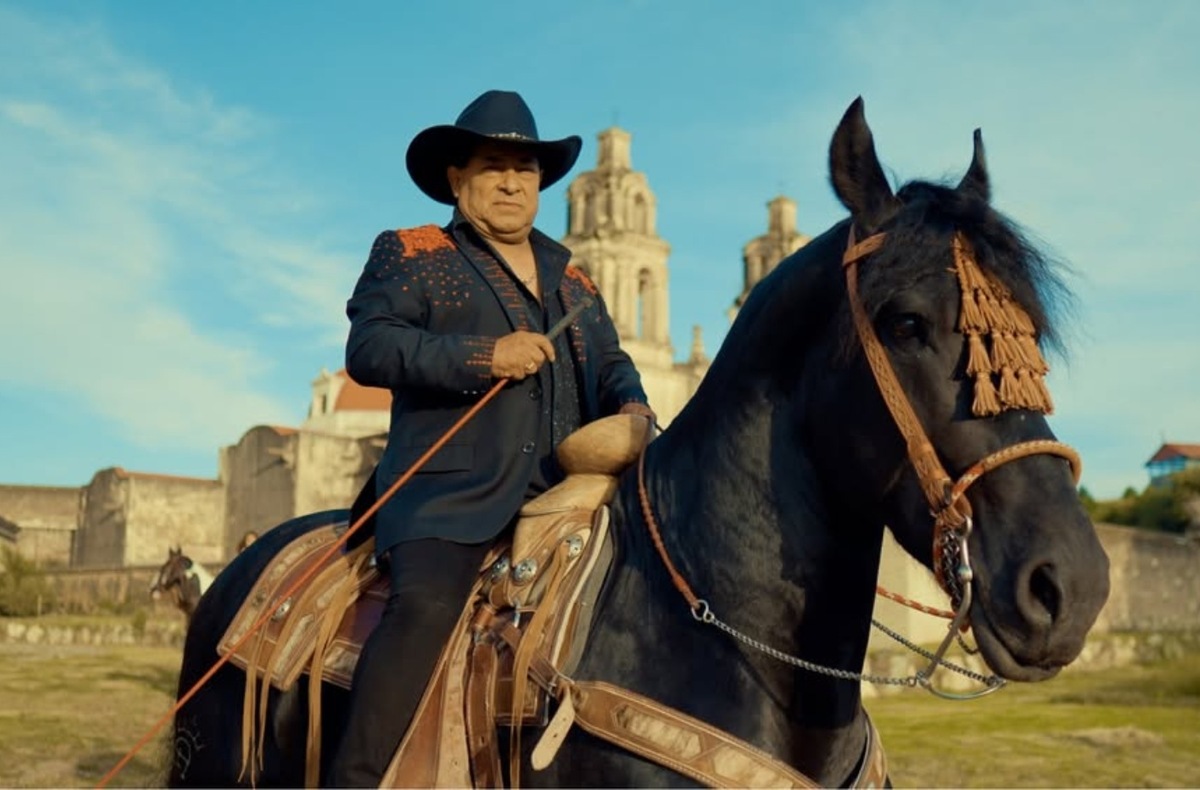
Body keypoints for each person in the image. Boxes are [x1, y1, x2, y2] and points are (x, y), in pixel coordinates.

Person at [327, 89, 654, 786]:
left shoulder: (575, 279)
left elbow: (612, 364)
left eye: (524, 170)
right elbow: (371, 348)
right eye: (493, 167)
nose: (511, 182)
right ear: (457, 179)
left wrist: (634, 410)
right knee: (423, 613)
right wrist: (486, 356)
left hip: (570, 496)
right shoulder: (415, 252)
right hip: (449, 500)